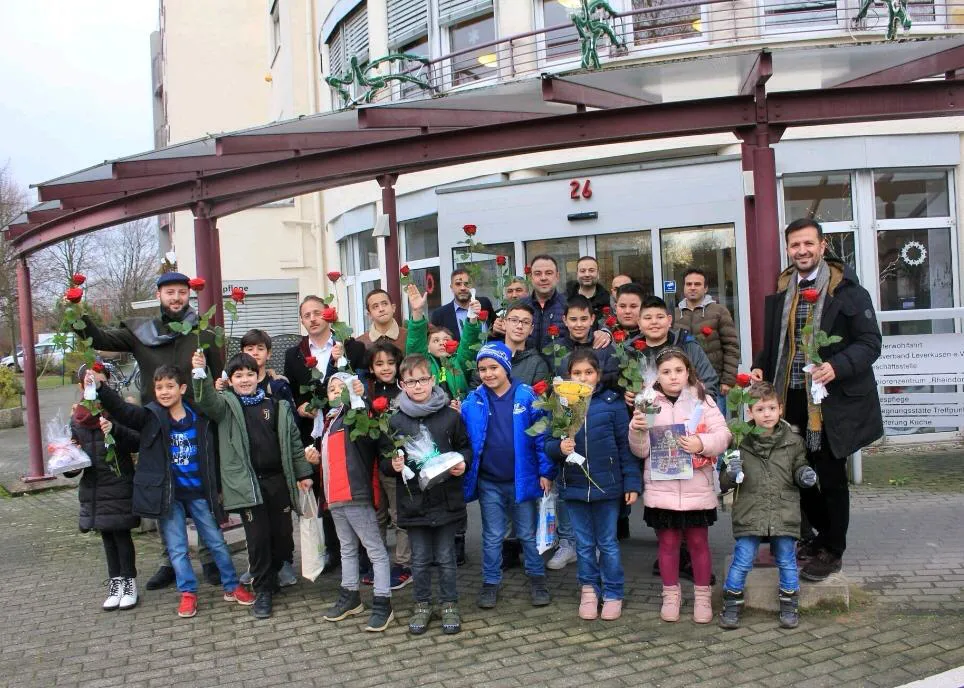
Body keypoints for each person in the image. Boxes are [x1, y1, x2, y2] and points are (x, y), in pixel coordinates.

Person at [751, 218, 883, 582]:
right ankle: (815, 538)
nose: (802, 251)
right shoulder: (783, 290)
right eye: (795, 245)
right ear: (789, 250)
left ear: (823, 246)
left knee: (829, 476)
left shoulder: (849, 292)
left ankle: (832, 548)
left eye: (808, 244)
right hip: (789, 398)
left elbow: (871, 344)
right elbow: (776, 346)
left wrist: (836, 366)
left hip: (830, 403)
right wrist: (759, 368)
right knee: (797, 471)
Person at [75, 270, 224, 591]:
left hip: (196, 424)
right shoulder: (140, 331)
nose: (176, 298)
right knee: (161, 494)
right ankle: (170, 560)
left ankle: (211, 559)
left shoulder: (204, 332)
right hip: (155, 426)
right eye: (170, 292)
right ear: (159, 296)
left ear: (189, 295)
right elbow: (99, 339)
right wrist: (77, 311)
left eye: (182, 292)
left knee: (203, 493)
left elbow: (218, 375)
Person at [93, 365, 256, 618]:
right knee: (177, 548)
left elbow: (213, 453)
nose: (164, 392)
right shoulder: (151, 417)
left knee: (216, 542)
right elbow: (123, 411)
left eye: (170, 386)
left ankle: (232, 585)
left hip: (200, 493)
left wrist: (219, 488)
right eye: (159, 387)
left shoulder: (200, 415)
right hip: (170, 497)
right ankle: (188, 593)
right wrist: (101, 389)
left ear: (181, 388)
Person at [191, 351, 315, 619]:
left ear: (258, 376)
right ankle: (263, 590)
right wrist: (200, 372)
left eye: (249, 374)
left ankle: (276, 569)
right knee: (257, 539)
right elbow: (206, 400)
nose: (245, 379)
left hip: (278, 481)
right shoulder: (226, 405)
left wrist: (303, 473)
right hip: (247, 484)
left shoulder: (277, 406)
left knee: (282, 535)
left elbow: (294, 444)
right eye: (238, 375)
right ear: (230, 380)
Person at [628, 348, 730, 624]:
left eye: (678, 371)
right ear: (657, 376)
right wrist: (637, 430)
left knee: (698, 542)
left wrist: (701, 443)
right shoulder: (647, 402)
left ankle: (702, 596)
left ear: (688, 372)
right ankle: (671, 595)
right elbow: (640, 451)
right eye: (666, 372)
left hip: (697, 488)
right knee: (668, 543)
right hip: (663, 490)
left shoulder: (702, 400)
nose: (673, 377)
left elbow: (724, 436)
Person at [546, 351, 640, 621]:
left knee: (608, 543)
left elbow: (625, 446)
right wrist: (559, 448)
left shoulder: (612, 404)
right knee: (584, 544)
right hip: (574, 486)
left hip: (607, 487)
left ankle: (613, 592)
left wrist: (631, 482)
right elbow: (547, 445)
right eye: (577, 373)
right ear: (568, 376)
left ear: (598, 375)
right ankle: (589, 589)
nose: (583, 378)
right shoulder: (561, 403)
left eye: (588, 372)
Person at [461, 342, 555, 610]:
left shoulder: (526, 396)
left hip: (521, 480)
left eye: (494, 367)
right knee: (492, 535)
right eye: (482, 369)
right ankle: (490, 582)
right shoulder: (474, 400)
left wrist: (545, 471)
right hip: (489, 481)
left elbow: (541, 437)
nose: (488, 374)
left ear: (506, 367)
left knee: (527, 532)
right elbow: (466, 435)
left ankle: (537, 578)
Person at [384, 353, 472, 635]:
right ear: (402, 384)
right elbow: (385, 460)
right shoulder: (395, 420)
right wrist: (393, 464)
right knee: (420, 559)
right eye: (411, 381)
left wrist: (463, 462)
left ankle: (449, 603)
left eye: (423, 379)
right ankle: (422, 603)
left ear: (432, 380)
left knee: (446, 557)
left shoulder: (450, 415)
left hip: (446, 499)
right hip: (414, 503)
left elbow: (465, 447)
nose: (418, 385)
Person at [719, 382, 817, 630]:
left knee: (786, 559)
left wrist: (804, 473)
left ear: (780, 409)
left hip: (783, 510)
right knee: (742, 559)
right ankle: (731, 604)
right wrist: (731, 473)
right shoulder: (739, 440)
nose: (767, 414)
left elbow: (798, 467)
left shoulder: (794, 442)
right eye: (760, 409)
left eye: (771, 408)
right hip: (750, 510)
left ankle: (789, 604)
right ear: (749, 413)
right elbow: (724, 482)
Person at [285, 294, 366, 574]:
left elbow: (358, 383)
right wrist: (300, 406)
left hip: (345, 429)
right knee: (323, 491)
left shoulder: (350, 346)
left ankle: (361, 551)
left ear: (328, 314)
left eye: (317, 313)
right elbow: (294, 393)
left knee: (349, 488)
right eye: (306, 315)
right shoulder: (294, 354)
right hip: (314, 431)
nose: (312, 319)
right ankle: (334, 550)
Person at [316, 376, 395, 632]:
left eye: (342, 387)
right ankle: (351, 595)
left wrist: (360, 396)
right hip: (335, 498)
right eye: (332, 388)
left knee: (374, 549)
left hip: (356, 493)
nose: (336, 392)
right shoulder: (329, 422)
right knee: (347, 549)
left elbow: (365, 417)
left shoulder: (355, 417)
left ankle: (383, 601)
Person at [67, 363, 141, 612]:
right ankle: (115, 582)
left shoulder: (120, 411)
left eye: (101, 382)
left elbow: (137, 442)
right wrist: (67, 458)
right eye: (90, 382)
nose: (96, 387)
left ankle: (129, 582)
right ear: (81, 387)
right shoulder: (76, 418)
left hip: (118, 482)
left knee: (121, 533)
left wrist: (116, 430)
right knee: (106, 536)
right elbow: (72, 464)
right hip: (94, 486)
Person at [359, 340, 412, 590]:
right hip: (372, 464)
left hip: (397, 464)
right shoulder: (367, 393)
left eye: (391, 363)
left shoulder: (405, 391)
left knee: (399, 515)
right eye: (379, 364)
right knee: (376, 515)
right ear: (371, 368)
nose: (386, 368)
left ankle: (403, 564)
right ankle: (376, 562)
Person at [628, 296, 720, 402]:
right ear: (639, 323)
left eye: (660, 317)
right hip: (646, 415)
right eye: (648, 318)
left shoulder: (687, 346)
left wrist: (700, 408)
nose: (654, 322)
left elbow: (708, 381)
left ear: (669, 320)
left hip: (689, 413)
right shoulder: (630, 351)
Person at [674, 268, 740, 409]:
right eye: (689, 284)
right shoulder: (675, 314)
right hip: (682, 384)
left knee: (714, 426)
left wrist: (727, 380)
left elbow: (731, 346)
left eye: (697, 284)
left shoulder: (719, 311)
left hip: (712, 382)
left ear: (705, 288)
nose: (692, 287)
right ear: (684, 287)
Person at [406, 283, 481, 402]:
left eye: (446, 339)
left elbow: (468, 343)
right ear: (428, 348)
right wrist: (417, 311)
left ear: (455, 345)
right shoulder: (424, 363)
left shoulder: (459, 362)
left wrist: (472, 317)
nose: (442, 343)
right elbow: (415, 343)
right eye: (436, 340)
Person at [474, 302, 548, 387]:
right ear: (504, 324)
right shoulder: (487, 354)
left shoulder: (537, 364)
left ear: (531, 329)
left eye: (526, 322)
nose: (519, 326)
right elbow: (474, 392)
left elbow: (540, 398)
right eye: (514, 320)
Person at [555, 294, 619, 390]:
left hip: (599, 402)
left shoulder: (605, 348)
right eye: (573, 319)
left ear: (592, 319)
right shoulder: (554, 349)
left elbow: (614, 381)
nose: (579, 324)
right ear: (565, 320)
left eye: (584, 319)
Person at [430, 269, 496, 342]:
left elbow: (495, 329)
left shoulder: (484, 303)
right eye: (458, 284)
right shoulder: (439, 315)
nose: (463, 288)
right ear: (451, 287)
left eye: (466, 284)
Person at [357, 288, 407, 353]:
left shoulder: (408, 336)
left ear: (393, 308)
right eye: (375, 306)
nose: (381, 309)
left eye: (384, 304)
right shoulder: (360, 344)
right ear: (369, 315)